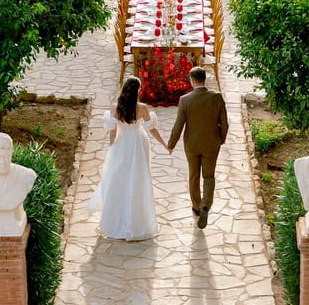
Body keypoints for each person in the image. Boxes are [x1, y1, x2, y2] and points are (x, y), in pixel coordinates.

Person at [87, 76, 168, 240]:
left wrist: (113, 149)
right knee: (138, 180)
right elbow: (151, 130)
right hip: (138, 143)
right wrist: (165, 145)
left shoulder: (116, 107)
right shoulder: (143, 108)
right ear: (138, 91)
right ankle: (137, 222)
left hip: (122, 143)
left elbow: (113, 132)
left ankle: (116, 222)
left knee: (119, 180)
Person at [167, 66, 228, 229]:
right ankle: (206, 206)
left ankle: (196, 207)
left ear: (192, 81)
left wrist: (171, 144)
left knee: (194, 176)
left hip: (192, 145)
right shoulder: (217, 97)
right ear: (205, 79)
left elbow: (178, 125)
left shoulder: (185, 100)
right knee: (209, 176)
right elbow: (224, 123)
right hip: (211, 144)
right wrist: (220, 139)